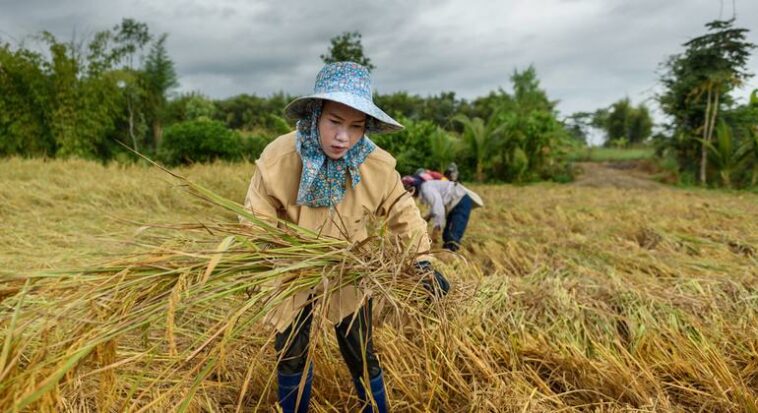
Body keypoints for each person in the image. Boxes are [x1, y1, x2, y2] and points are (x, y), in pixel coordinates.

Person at [242, 62, 448, 413]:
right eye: (335, 122)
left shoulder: (375, 165)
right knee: (292, 351)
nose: (343, 137)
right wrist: (265, 252)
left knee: (360, 351)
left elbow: (403, 213)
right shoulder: (279, 158)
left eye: (356, 127)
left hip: (350, 267)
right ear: (315, 114)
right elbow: (255, 217)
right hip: (293, 266)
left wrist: (422, 261)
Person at [401, 174, 483, 252]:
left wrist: (436, 229)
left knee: (452, 237)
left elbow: (438, 209)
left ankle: (451, 259)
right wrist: (427, 218)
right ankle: (449, 255)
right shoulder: (426, 187)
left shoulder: (426, 188)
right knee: (447, 235)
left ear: (412, 188)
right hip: (456, 202)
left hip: (460, 200)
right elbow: (435, 206)